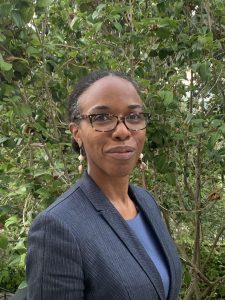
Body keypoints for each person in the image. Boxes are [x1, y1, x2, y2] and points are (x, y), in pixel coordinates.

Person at [26, 70, 182, 300]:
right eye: (101, 118)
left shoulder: (146, 202)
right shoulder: (57, 227)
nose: (122, 131)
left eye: (135, 116)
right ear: (77, 133)